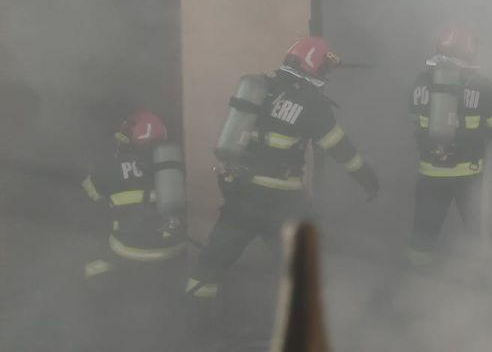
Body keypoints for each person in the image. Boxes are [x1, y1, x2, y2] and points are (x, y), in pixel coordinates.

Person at [186, 37, 379, 315]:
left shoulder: (261, 89)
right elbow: (341, 149)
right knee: (303, 264)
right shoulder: (313, 104)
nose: (326, 72)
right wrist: (368, 180)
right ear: (312, 63)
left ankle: (195, 321)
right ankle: (301, 322)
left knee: (211, 262)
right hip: (283, 202)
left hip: (241, 195)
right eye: (324, 66)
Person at [80, 109, 187, 351]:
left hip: (129, 251)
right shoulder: (173, 165)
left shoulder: (110, 165)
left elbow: (90, 195)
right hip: (173, 250)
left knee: (92, 266)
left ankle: (103, 329)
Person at [405, 28, 492, 267]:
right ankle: (478, 279)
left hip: (430, 173)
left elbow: (414, 118)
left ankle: (415, 276)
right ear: (470, 52)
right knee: (476, 232)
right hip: (469, 176)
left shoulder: (420, 82)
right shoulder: (482, 85)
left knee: (423, 232)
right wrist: (474, 130)